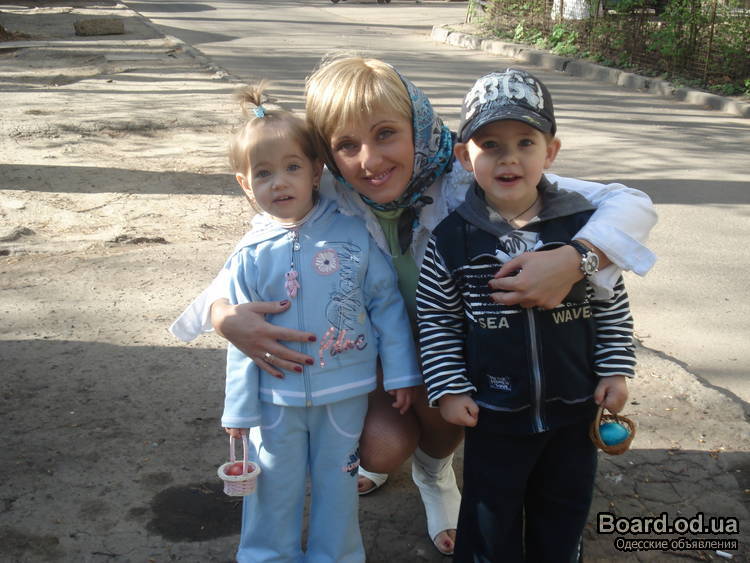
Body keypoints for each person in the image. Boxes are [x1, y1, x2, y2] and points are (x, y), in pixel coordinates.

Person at [176, 56, 657, 557]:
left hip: (450, 350)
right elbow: (260, 251)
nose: (370, 160)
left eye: (386, 134)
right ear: (325, 157)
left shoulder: (471, 175)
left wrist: (577, 259)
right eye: (346, 145)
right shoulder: (329, 191)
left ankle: (434, 473)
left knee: (439, 401)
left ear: (417, 126)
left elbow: (630, 203)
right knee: (381, 448)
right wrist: (222, 315)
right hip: (368, 353)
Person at [176, 84, 422, 562]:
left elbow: (386, 305)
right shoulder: (249, 255)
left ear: (316, 171)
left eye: (292, 167)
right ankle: (266, 555)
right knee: (272, 487)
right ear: (245, 184)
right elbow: (242, 338)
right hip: (276, 401)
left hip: (345, 394)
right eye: (263, 173)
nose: (280, 183)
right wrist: (238, 412)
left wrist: (400, 374)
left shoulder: (353, 234)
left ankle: (337, 555)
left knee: (338, 486)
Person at [416, 68, 637, 561]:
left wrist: (615, 369)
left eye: (525, 142)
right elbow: (437, 320)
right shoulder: (451, 239)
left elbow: (610, 302)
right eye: (490, 145)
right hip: (493, 413)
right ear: (465, 157)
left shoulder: (582, 230)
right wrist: (449, 388)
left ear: (550, 152)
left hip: (575, 408)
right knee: (489, 517)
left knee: (563, 511)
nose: (509, 157)